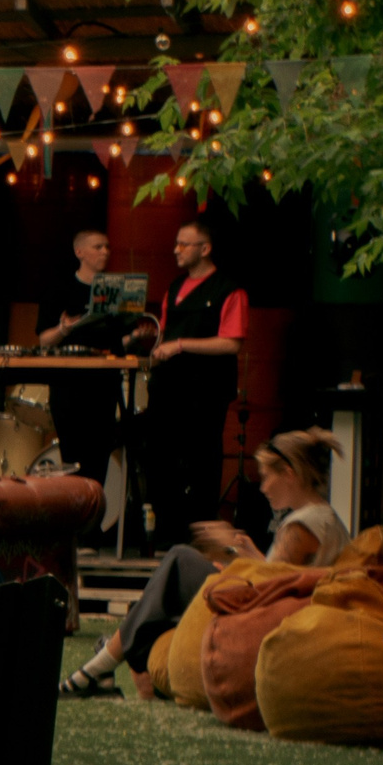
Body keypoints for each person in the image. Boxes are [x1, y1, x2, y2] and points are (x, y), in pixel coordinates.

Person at [61, 427, 348, 700]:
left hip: (266, 614)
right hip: (275, 604)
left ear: (289, 473)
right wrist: (246, 556)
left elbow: (272, 589)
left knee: (179, 560)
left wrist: (229, 552)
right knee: (161, 597)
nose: (262, 488)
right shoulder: (321, 518)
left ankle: (98, 667)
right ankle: (107, 667)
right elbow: (286, 575)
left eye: (266, 477)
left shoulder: (304, 524)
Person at [129, 216, 247, 548]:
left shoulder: (229, 290)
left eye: (184, 244)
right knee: (160, 459)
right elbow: (164, 333)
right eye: (177, 243)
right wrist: (147, 338)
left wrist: (181, 346)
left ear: (205, 248)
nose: (176, 250)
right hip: (169, 387)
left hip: (205, 389)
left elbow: (231, 342)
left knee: (202, 463)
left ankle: (200, 539)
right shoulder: (175, 288)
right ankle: (168, 535)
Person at [34, 227, 125, 504]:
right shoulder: (59, 289)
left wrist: (134, 335)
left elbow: (117, 338)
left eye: (107, 247)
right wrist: (63, 328)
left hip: (104, 384)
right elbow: (44, 340)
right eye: (98, 247)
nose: (105, 252)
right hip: (69, 384)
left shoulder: (114, 290)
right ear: (80, 252)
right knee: (73, 457)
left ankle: (94, 528)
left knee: (100, 458)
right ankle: (77, 525)